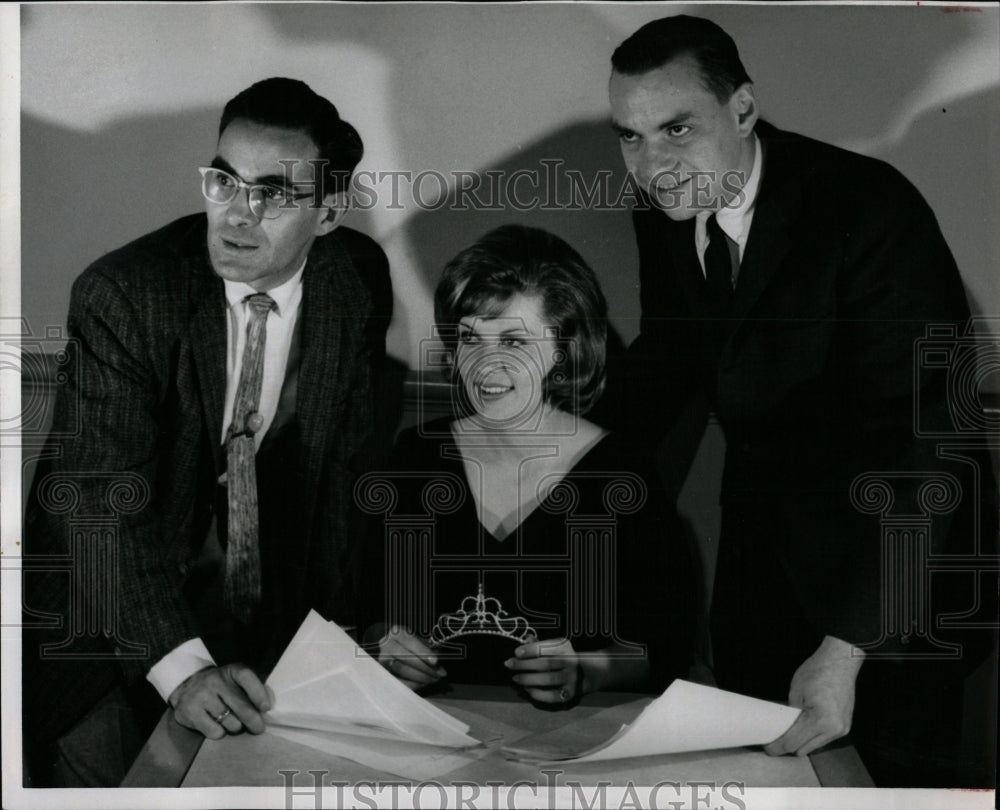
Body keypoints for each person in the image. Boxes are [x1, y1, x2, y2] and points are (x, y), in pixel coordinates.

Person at [606, 15, 998, 787]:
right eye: (630, 136)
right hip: (767, 562)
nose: (652, 164)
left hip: (900, 584)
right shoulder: (666, 203)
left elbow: (924, 438)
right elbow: (668, 361)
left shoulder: (867, 207)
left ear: (743, 110)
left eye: (677, 127)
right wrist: (549, 477)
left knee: (879, 790)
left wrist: (849, 647)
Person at [22, 77, 392, 787]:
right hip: (99, 610)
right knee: (131, 789)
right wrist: (183, 669)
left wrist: (339, 642)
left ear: (327, 214)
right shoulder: (125, 295)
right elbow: (99, 506)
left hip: (254, 611)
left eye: (276, 193)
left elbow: (337, 481)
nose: (236, 216)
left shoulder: (356, 280)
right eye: (224, 180)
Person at [359, 225, 695, 703]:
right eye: (470, 339)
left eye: (514, 342)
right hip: (425, 738)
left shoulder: (622, 472)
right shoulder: (415, 455)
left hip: (568, 745)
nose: (485, 365)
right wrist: (382, 646)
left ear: (563, 351)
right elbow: (364, 608)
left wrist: (589, 671)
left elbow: (665, 647)